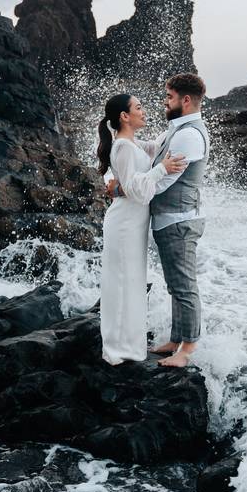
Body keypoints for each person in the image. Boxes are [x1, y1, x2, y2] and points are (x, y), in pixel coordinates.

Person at [108, 73, 210, 368]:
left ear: (185, 100)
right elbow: (154, 150)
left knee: (184, 286)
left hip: (179, 220)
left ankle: (187, 349)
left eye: (169, 97)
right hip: (170, 220)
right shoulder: (175, 131)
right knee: (175, 285)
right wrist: (123, 143)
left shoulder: (189, 135)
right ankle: (176, 339)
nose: (165, 102)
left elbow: (163, 183)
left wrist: (120, 188)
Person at [97, 93, 187, 365]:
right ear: (124, 116)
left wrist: (181, 120)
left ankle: (129, 346)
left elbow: (158, 145)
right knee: (122, 283)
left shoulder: (133, 144)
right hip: (124, 224)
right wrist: (161, 169)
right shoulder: (123, 147)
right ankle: (117, 350)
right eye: (138, 107)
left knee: (132, 283)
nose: (144, 111)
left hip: (133, 225)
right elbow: (136, 190)